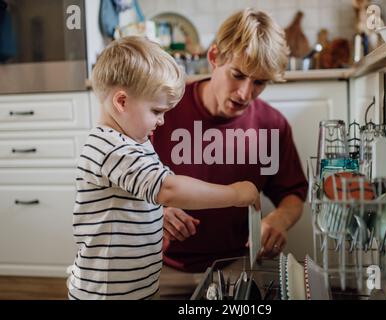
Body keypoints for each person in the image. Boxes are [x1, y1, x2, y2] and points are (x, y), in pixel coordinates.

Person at [67, 36, 260, 300]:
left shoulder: (135, 142)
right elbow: (167, 188)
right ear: (121, 102)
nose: (161, 121)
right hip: (107, 292)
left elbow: (148, 194)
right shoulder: (108, 147)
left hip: (138, 285)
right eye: (157, 111)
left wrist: (157, 214)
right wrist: (236, 194)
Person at [153, 8, 308, 299]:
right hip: (160, 264)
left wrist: (279, 220)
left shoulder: (272, 124)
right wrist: (154, 212)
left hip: (236, 267)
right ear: (214, 58)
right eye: (238, 75)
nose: (245, 94)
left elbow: (293, 194)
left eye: (260, 82)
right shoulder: (161, 111)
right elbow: (122, 183)